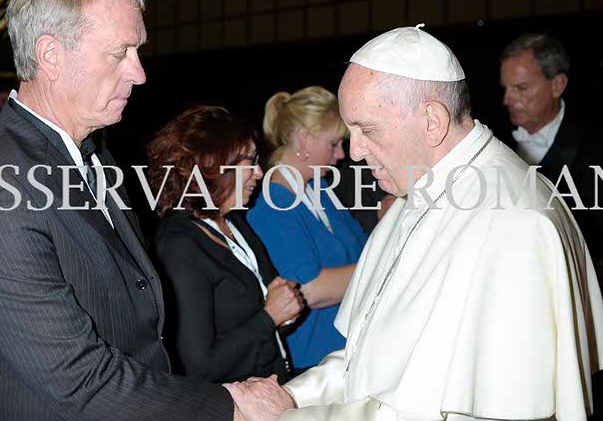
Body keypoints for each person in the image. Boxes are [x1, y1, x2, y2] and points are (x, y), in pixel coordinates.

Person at [226, 25, 603, 421]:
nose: (354, 153)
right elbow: (366, 360)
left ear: (432, 121)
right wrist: (292, 399)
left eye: (367, 130)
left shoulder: (514, 223)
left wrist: (286, 418)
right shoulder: (419, 190)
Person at [0, 0, 239, 420]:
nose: (139, 73)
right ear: (51, 55)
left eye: (137, 52)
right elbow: (78, 380)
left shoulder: (93, 155)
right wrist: (229, 405)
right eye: (119, 53)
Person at [148, 106, 304, 384]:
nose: (259, 172)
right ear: (214, 164)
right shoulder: (178, 244)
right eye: (250, 161)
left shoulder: (235, 223)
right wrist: (270, 317)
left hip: (273, 390)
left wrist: (285, 312)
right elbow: (198, 367)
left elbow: (269, 310)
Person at [248, 86, 367, 371]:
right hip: (314, 365)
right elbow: (311, 290)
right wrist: (385, 262)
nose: (341, 154)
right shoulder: (272, 205)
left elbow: (364, 247)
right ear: (303, 138)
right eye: (334, 144)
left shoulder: (319, 189)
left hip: (351, 353)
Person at [500, 33, 603, 266]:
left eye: (521, 87)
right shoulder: (494, 138)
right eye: (506, 88)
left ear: (557, 85)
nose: (507, 99)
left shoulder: (595, 146)